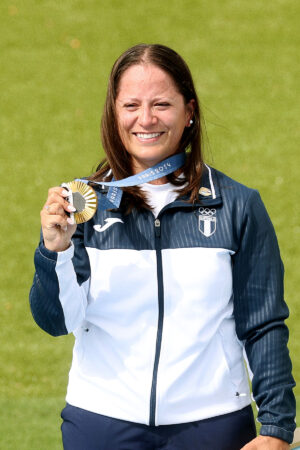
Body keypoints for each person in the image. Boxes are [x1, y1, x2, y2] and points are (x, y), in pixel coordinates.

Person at [29, 44, 296, 450]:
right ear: (114, 113)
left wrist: (276, 428)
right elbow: (56, 321)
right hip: (101, 424)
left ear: (189, 111)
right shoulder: (82, 209)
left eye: (162, 105)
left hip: (212, 425)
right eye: (131, 105)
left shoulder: (238, 206)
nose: (146, 119)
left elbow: (263, 325)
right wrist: (56, 251)